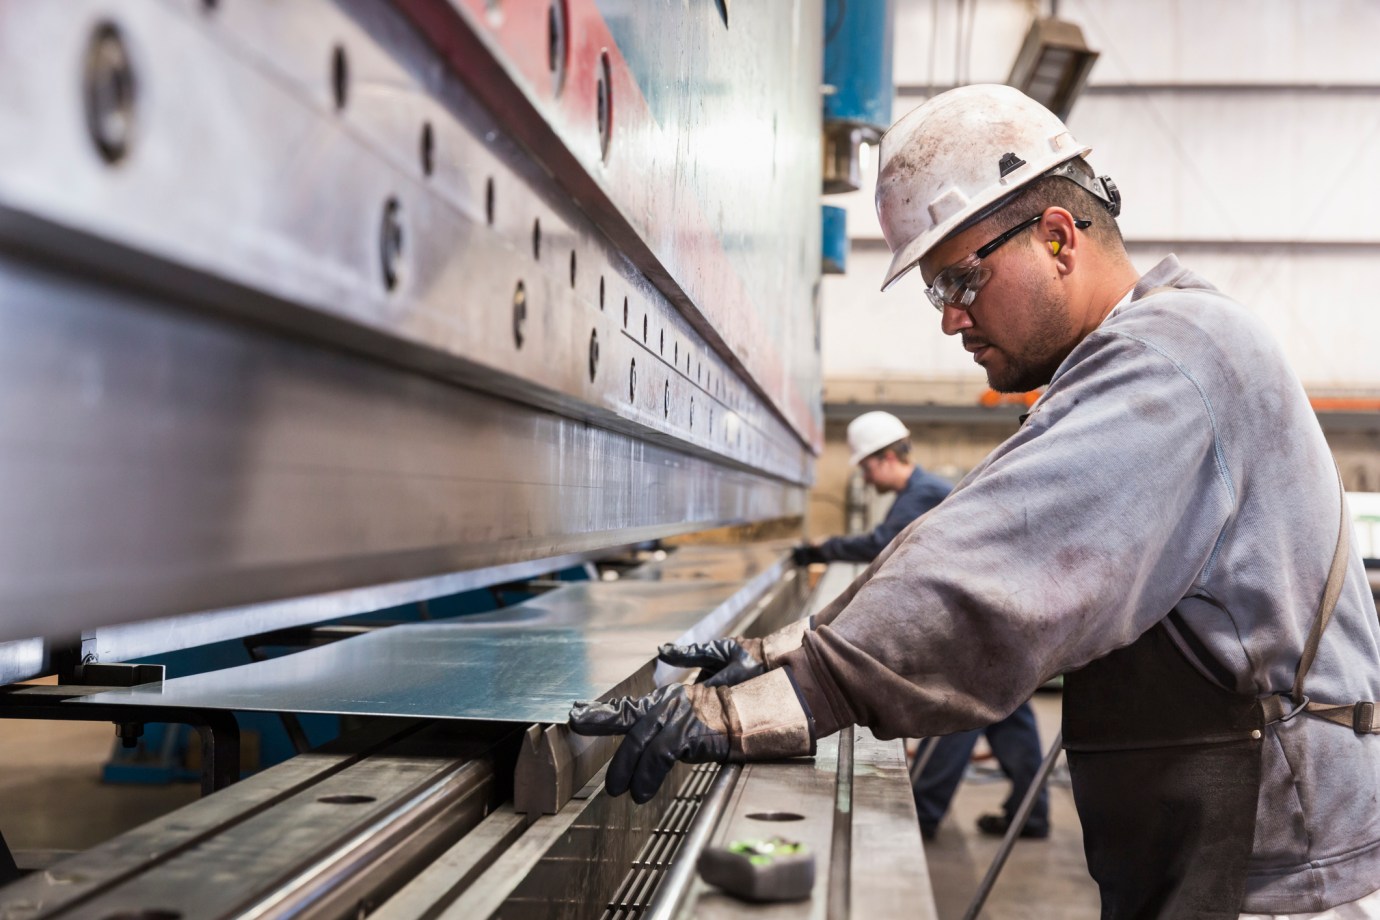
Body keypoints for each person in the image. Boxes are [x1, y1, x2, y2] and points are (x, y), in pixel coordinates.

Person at [570, 84, 1380, 918]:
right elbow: (964, 529)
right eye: (936, 292)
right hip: (1226, 866)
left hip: (1282, 883)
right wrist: (791, 647)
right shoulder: (1137, 358)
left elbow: (996, 566)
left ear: (1058, 238)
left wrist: (769, 703)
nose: (952, 321)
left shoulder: (1174, 362)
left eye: (960, 280)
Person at [796, 410, 1051, 842]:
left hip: (976, 621)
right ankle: (1031, 813)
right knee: (1010, 718)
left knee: (957, 710)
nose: (865, 479)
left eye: (864, 468)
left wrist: (822, 550)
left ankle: (927, 813)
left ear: (882, 459)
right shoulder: (922, 490)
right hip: (992, 614)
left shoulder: (922, 494)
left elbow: (885, 548)